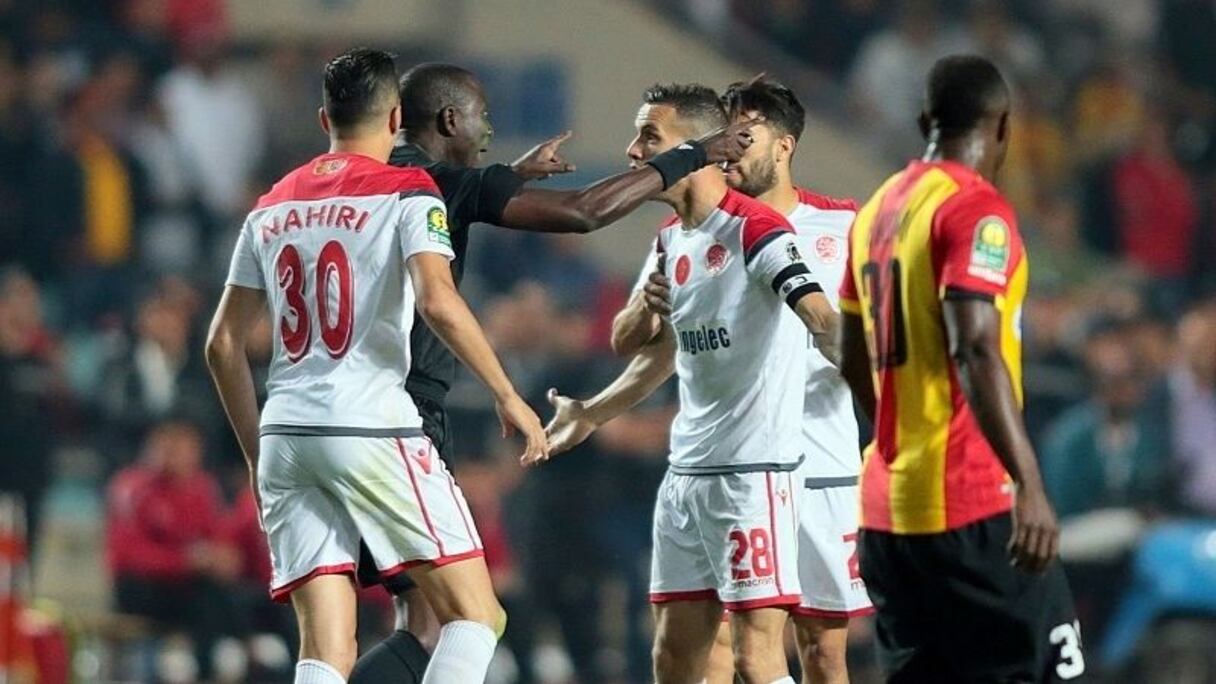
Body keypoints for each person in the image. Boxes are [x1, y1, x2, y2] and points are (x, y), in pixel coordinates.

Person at [349, 62, 760, 683]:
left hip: (323, 414)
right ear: (452, 120)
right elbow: (584, 212)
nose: (490, 130)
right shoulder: (440, 184)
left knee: (374, 624)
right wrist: (687, 157)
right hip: (399, 417)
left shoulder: (373, 181)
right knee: (468, 621)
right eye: (483, 117)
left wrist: (507, 179)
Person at [204, 48, 548, 684]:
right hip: (370, 425)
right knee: (477, 618)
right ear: (396, 119)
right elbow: (440, 304)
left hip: (285, 433)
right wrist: (508, 394)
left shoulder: (271, 203)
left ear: (322, 117)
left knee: (323, 650)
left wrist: (256, 456)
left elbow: (222, 345)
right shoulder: (408, 190)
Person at [559, 77, 873, 684]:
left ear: (782, 145)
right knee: (696, 652)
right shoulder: (682, 234)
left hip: (812, 462)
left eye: (744, 136)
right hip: (706, 465)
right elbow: (652, 348)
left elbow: (843, 330)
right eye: (726, 136)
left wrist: (894, 417)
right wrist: (596, 405)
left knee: (818, 650)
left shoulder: (832, 226)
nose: (732, 149)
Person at [836, 55, 1085, 682]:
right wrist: (1026, 483)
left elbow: (849, 353)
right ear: (1003, 128)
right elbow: (975, 346)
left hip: (888, 514)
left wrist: (899, 435)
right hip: (972, 509)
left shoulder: (876, 212)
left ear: (925, 120)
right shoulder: (976, 210)